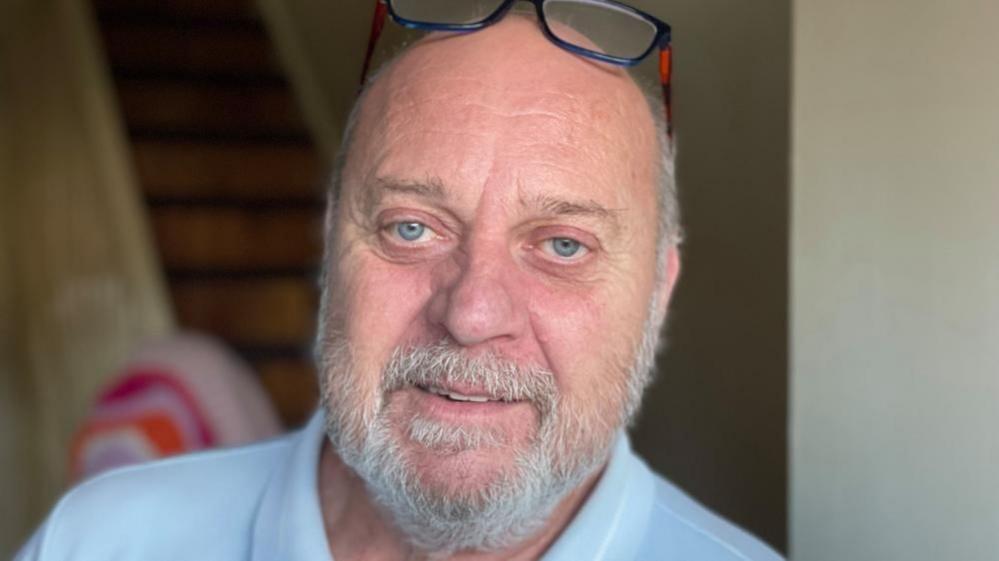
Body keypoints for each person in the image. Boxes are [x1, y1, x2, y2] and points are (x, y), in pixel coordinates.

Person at [16, 4, 783, 560]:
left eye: (561, 243)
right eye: (411, 227)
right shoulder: (99, 541)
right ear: (330, 248)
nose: (473, 311)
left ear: (656, 291)